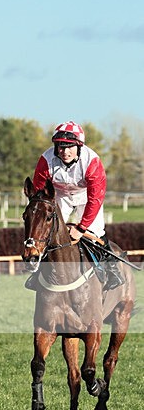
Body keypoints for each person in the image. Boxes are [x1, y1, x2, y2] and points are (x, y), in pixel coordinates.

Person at [30, 121, 124, 290]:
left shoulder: (92, 162)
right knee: (48, 231)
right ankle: (38, 272)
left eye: (70, 147)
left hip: (85, 196)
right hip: (60, 195)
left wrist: (81, 228)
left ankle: (112, 269)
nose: (65, 152)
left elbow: (95, 199)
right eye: (60, 147)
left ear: (79, 146)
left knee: (96, 232)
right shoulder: (46, 160)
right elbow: (39, 193)